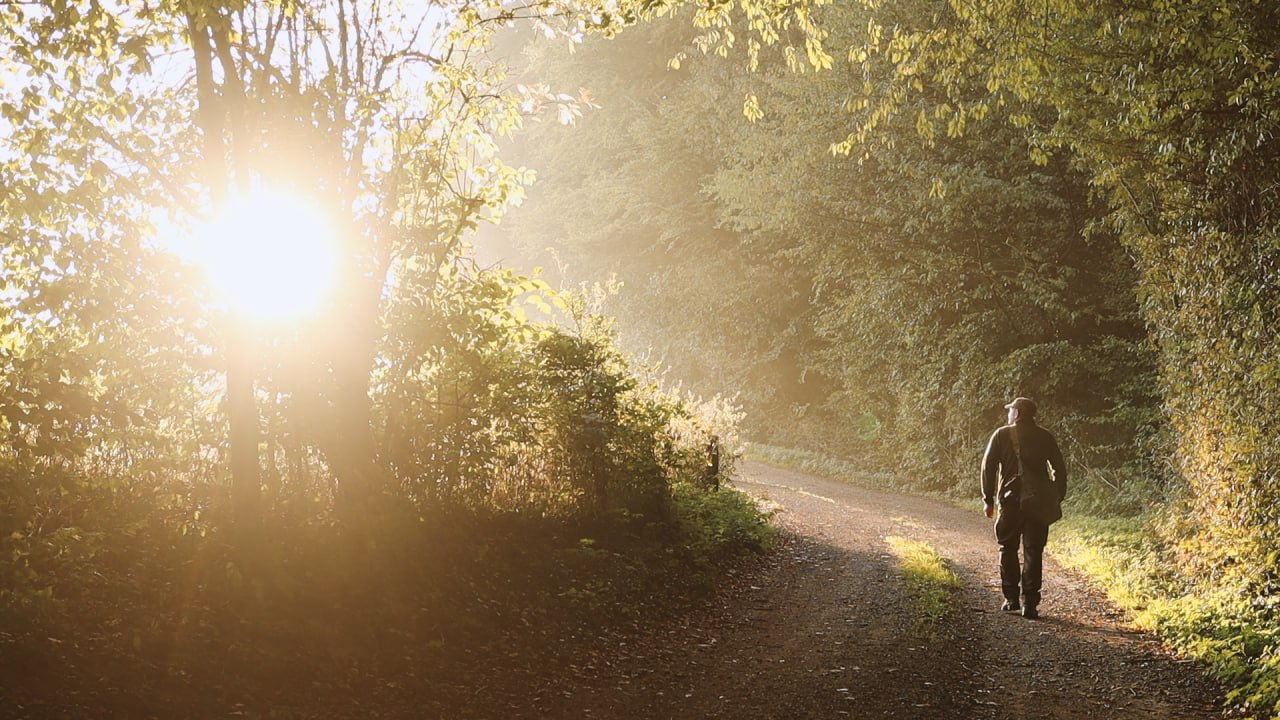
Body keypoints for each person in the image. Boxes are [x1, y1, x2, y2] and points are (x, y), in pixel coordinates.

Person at [981, 397, 1067, 619]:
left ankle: (1011, 599)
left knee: (1007, 547)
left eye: (1011, 411)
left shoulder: (1001, 435)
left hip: (1010, 501)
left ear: (1017, 414)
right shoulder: (1045, 436)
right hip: (1038, 501)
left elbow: (988, 467)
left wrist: (988, 499)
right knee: (1033, 550)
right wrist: (1057, 495)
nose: (1008, 415)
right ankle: (1030, 603)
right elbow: (1059, 468)